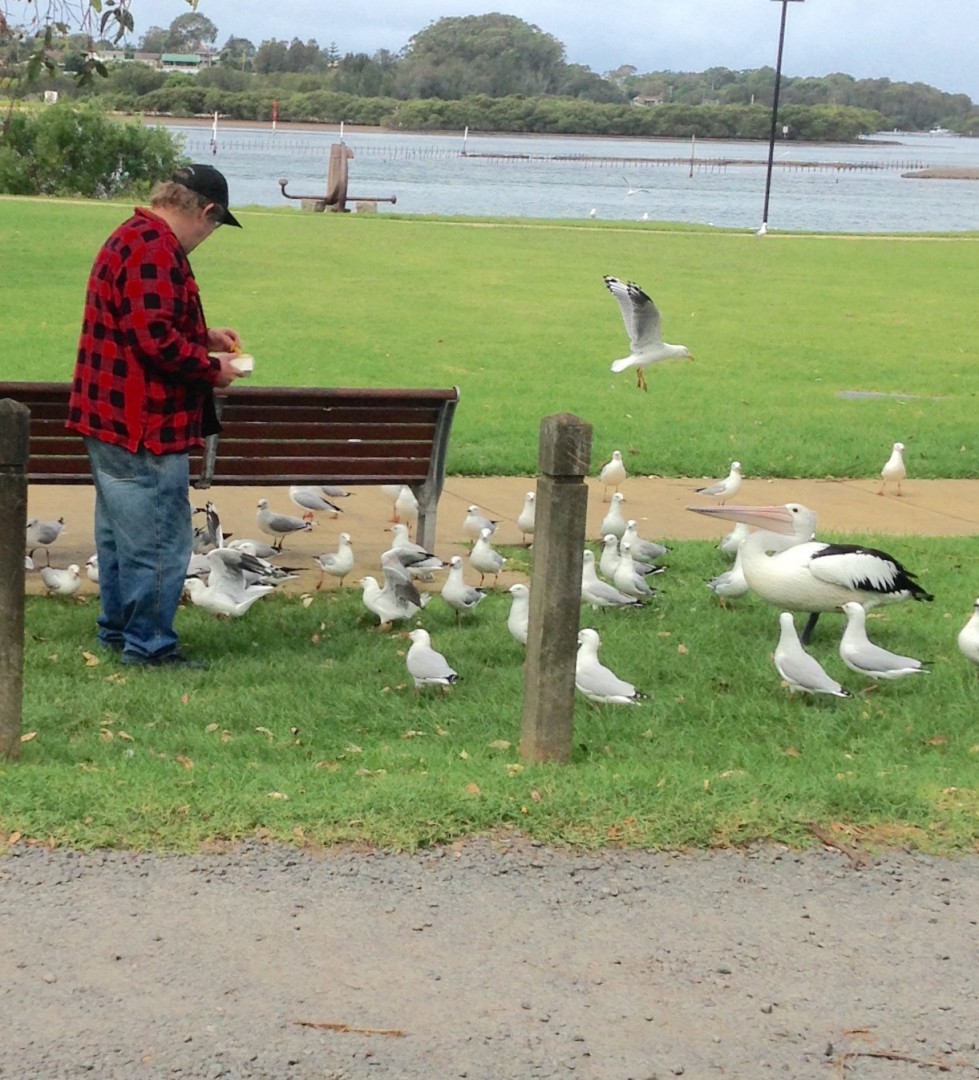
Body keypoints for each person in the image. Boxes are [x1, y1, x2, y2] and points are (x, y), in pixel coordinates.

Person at [67, 164, 245, 668]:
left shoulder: (132, 235)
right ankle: (150, 647)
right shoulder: (156, 250)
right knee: (160, 541)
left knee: (119, 536)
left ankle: (118, 631)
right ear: (205, 211)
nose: (208, 237)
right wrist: (212, 369)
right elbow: (156, 341)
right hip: (144, 425)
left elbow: (144, 322)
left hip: (108, 417)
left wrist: (203, 336)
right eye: (215, 225)